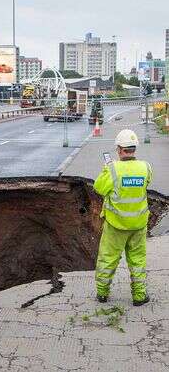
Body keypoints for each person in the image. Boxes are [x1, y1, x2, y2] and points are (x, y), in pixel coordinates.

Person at [93, 129, 152, 306]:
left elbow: (99, 188)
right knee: (138, 260)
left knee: (108, 259)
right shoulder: (145, 167)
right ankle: (139, 296)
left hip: (116, 225)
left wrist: (107, 170)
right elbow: (146, 184)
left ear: (119, 149)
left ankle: (102, 294)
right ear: (134, 148)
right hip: (139, 225)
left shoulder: (112, 169)